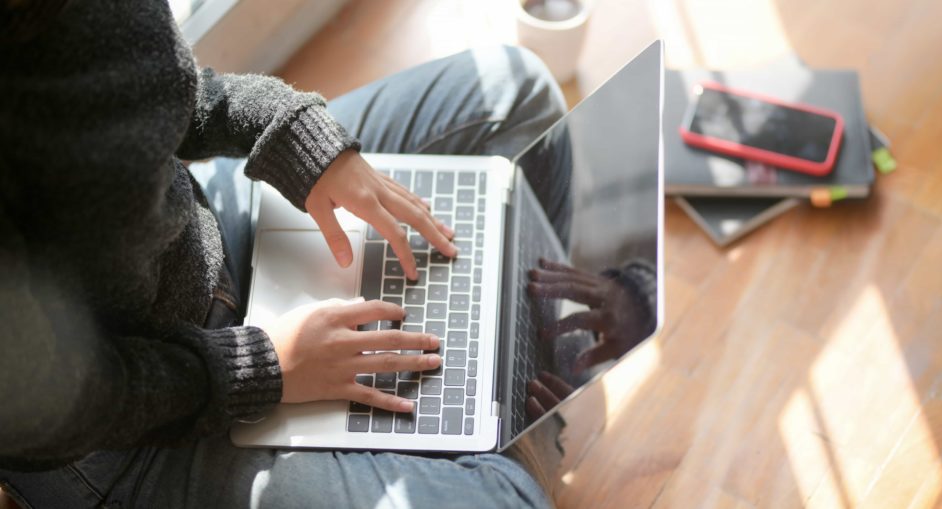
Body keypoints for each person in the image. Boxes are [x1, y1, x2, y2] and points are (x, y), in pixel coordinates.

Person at [0, 0, 566, 507]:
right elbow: (64, 411)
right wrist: (262, 368)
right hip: (121, 427)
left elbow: (159, 92)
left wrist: (297, 138)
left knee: (515, 90)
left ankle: (498, 397)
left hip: (206, 237)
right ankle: (500, 411)